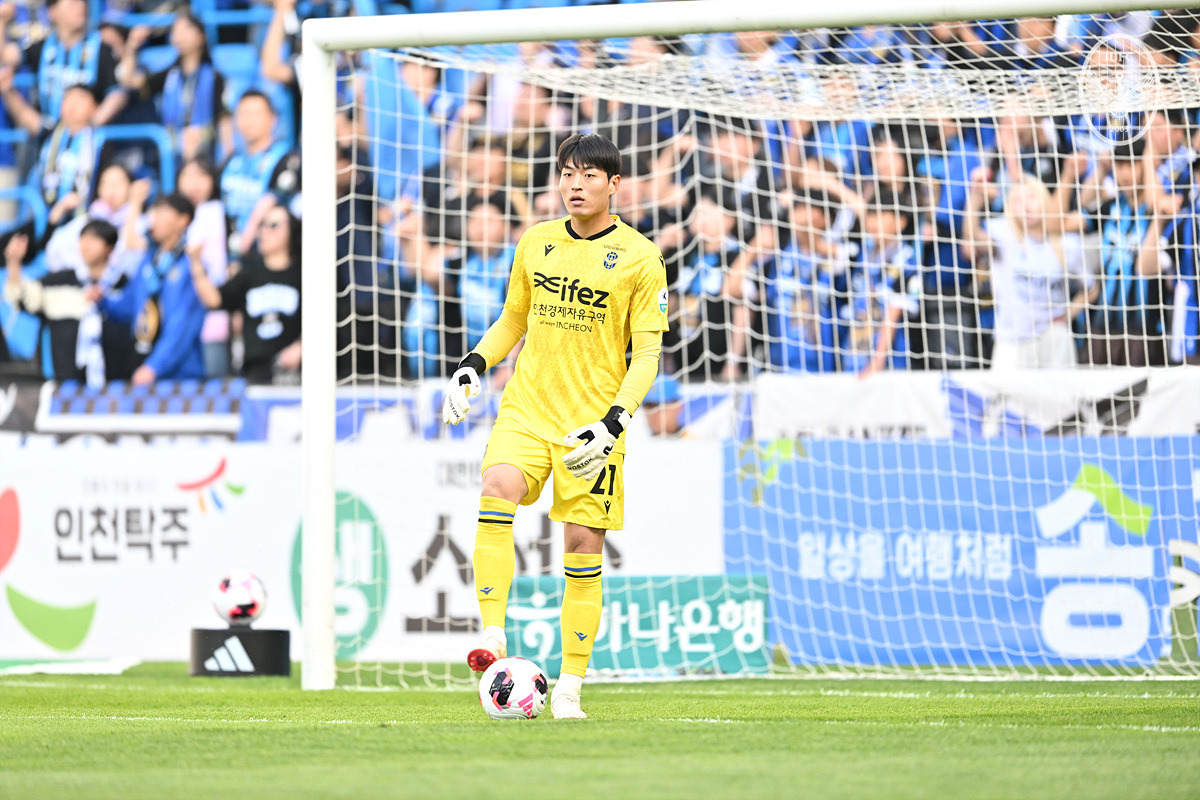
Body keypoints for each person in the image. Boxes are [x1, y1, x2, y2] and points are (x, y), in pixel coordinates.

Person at [441, 133, 667, 720]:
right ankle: (493, 634)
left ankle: (568, 687)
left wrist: (615, 422)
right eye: (567, 173)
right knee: (497, 485)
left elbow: (647, 354)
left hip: (593, 426)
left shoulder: (641, 257)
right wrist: (472, 364)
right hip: (527, 407)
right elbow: (512, 320)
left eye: (589, 175)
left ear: (614, 185)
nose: (575, 184)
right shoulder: (536, 242)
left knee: (581, 547)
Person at [90, 193, 206, 384]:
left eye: (162, 211)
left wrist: (155, 366)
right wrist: (102, 301)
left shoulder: (190, 265)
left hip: (180, 375)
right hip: (142, 363)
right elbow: (129, 307)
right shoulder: (149, 261)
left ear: (183, 220)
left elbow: (183, 326)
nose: (154, 218)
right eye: (154, 211)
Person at [189, 204, 301, 384]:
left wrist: (302, 347)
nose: (264, 231)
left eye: (273, 225)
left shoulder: (304, 275)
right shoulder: (249, 274)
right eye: (262, 225)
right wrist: (195, 262)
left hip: (297, 375)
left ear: (292, 230)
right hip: (255, 372)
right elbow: (214, 300)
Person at [3, 219, 119, 384]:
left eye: (94, 239)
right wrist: (14, 263)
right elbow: (22, 298)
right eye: (83, 238)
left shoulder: (121, 283)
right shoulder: (60, 281)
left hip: (116, 384)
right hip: (67, 384)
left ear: (109, 247)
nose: (86, 245)